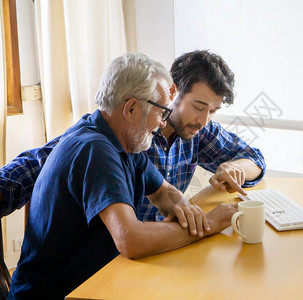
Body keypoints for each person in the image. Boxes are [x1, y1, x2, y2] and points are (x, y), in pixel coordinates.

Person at [8, 53, 237, 300]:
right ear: (131, 108)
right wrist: (209, 225)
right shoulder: (95, 149)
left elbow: (162, 192)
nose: (163, 123)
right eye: (161, 112)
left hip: (99, 283)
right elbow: (131, 240)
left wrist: (185, 209)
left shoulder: (125, 141)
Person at [0, 50, 265, 220]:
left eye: (213, 111)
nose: (204, 120)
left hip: (157, 247)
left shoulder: (198, 131)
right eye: (198, 106)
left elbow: (254, 158)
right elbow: (36, 165)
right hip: (115, 256)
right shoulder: (125, 132)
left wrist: (235, 167)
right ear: (173, 93)